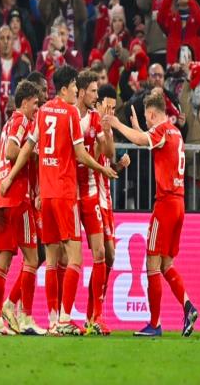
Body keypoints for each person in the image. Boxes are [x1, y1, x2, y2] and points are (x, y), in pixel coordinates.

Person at [0, 65, 117, 335]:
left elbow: (28, 147)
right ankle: (64, 318)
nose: (76, 90)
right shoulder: (71, 112)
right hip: (65, 193)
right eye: (75, 86)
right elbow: (80, 154)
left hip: (46, 195)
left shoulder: (42, 112)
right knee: (75, 258)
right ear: (65, 88)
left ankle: (53, 320)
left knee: (51, 260)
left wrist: (10, 178)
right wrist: (102, 168)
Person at [105, 94, 198, 337]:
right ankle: (188, 306)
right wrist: (138, 129)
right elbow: (146, 140)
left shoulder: (162, 130)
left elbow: (143, 139)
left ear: (154, 114)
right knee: (167, 264)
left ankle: (155, 324)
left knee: (151, 264)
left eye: (147, 118)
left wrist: (117, 124)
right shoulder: (175, 132)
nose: (147, 122)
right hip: (179, 204)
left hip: (165, 204)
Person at [0, 80, 46, 336]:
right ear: (24, 102)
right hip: (18, 197)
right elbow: (12, 152)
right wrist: (33, 154)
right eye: (35, 104)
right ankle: (25, 317)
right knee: (33, 259)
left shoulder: (6, 125)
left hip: (2, 197)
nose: (37, 109)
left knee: (3, 262)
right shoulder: (22, 120)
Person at [74, 70, 115, 335]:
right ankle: (59, 316)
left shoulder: (95, 119)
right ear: (81, 92)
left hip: (91, 192)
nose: (96, 96)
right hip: (68, 192)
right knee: (60, 257)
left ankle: (95, 316)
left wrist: (107, 132)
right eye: (93, 91)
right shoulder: (68, 116)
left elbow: (107, 153)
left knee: (102, 254)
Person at [87, 84, 130, 329]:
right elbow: (93, 158)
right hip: (92, 196)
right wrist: (103, 131)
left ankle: (92, 314)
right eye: (108, 107)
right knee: (103, 254)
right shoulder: (93, 124)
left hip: (107, 199)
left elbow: (108, 162)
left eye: (114, 108)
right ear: (99, 104)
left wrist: (119, 166)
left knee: (109, 258)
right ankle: (96, 315)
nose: (111, 112)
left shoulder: (107, 127)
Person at [0, 25, 30, 138]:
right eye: (2, 38)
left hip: (14, 122)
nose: (5, 41)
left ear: (13, 41)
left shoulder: (23, 66)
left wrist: (17, 104)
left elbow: (28, 96)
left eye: (8, 38)